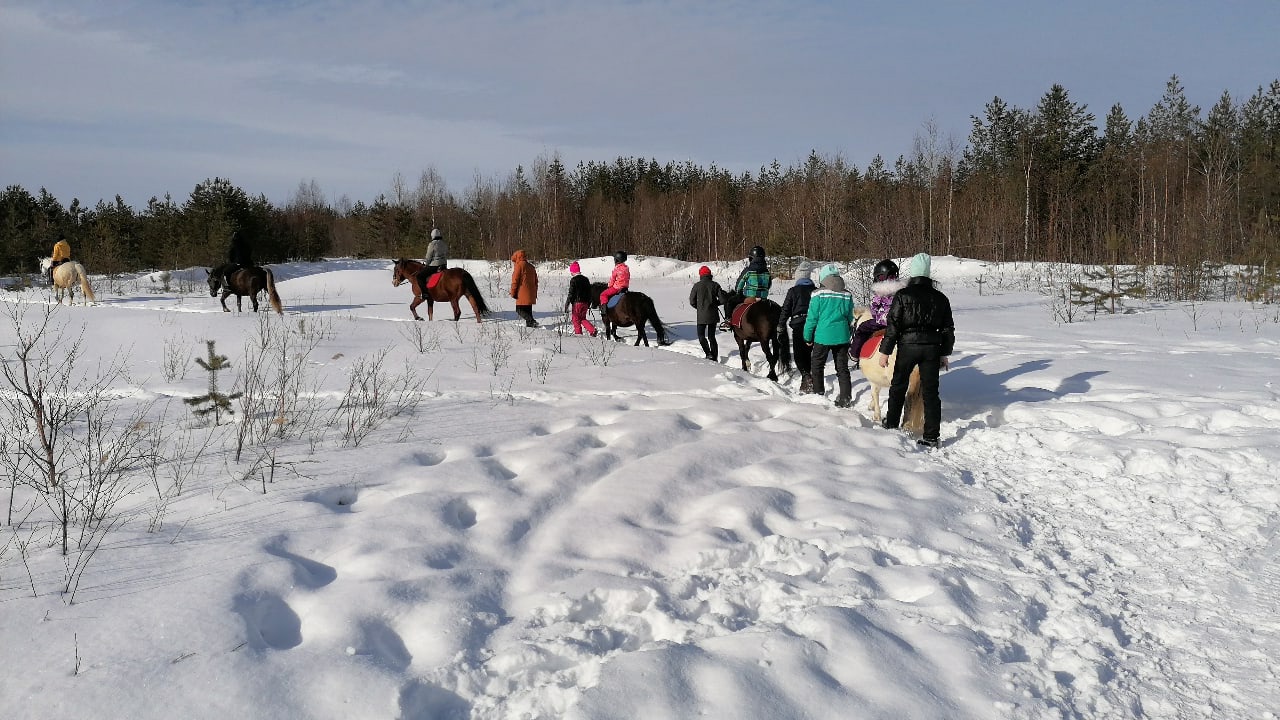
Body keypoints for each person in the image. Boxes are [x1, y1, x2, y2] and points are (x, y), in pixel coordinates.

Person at [877, 253, 955, 448]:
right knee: (930, 393)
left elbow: (893, 325)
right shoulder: (941, 298)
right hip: (931, 349)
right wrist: (944, 353)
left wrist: (885, 351)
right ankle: (931, 436)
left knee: (898, 387)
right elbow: (947, 329)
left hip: (907, 347)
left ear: (912, 273)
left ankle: (891, 425)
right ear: (928, 274)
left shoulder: (902, 295)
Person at [803, 264, 854, 407]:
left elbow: (812, 318)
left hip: (822, 337)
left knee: (817, 366)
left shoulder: (818, 294)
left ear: (823, 278)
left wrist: (807, 337)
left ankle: (819, 394)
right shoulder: (847, 294)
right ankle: (846, 397)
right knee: (842, 368)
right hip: (842, 336)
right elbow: (851, 317)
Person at [850, 259, 906, 361]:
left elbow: (874, 309)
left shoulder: (879, 292)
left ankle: (854, 354)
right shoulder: (901, 291)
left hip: (883, 322)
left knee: (862, 328)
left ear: (879, 277)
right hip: (899, 321)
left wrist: (878, 316)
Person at [779, 265, 816, 391]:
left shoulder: (793, 291)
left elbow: (786, 309)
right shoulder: (816, 291)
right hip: (814, 325)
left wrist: (780, 324)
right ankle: (807, 378)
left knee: (799, 355)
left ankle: (806, 375)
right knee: (808, 352)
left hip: (799, 324)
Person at [723, 245, 772, 323]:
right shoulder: (767, 272)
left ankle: (728, 320)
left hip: (749, 297)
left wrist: (738, 292)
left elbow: (740, 283)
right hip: (763, 299)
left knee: (730, 302)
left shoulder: (748, 270)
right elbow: (769, 285)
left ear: (752, 258)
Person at [688, 265, 724, 360]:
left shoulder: (696, 286)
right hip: (713, 315)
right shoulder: (715, 285)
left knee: (701, 336)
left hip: (701, 316)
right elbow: (723, 299)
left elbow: (692, 301)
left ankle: (708, 354)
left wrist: (699, 307)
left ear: (701, 275)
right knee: (712, 337)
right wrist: (716, 303)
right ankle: (715, 357)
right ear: (709, 274)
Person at [564, 261, 597, 336]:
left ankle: (578, 335)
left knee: (576, 320)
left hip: (577, 303)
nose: (571, 273)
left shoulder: (574, 280)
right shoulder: (586, 279)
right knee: (582, 318)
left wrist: (567, 304)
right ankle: (592, 330)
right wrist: (589, 303)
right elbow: (589, 292)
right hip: (585, 303)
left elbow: (571, 293)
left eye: (571, 271)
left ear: (573, 272)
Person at [510, 249, 540, 327]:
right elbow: (536, 282)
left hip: (521, 293)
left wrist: (513, 293)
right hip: (530, 293)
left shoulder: (519, 266)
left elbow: (515, 281)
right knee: (528, 312)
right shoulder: (531, 267)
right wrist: (534, 293)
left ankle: (532, 321)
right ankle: (531, 327)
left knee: (519, 309)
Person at [416, 228, 449, 293]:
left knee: (419, 276)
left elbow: (428, 256)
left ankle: (425, 293)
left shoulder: (432, 244)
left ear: (432, 236)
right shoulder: (444, 244)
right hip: (443, 265)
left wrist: (426, 264)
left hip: (435, 265)